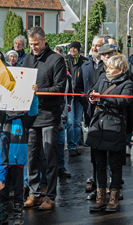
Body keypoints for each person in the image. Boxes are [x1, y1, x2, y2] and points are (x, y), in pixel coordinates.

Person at [22, 26, 67, 210]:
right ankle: (34, 193)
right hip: (31, 116)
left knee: (49, 155)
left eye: (36, 44)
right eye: (31, 44)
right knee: (32, 156)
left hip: (49, 115)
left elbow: (59, 88)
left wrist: (38, 91)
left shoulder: (56, 60)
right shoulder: (27, 59)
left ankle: (50, 196)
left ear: (44, 40)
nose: (33, 47)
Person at [86, 55, 133, 212]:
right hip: (98, 125)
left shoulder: (127, 83)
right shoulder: (102, 78)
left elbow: (123, 101)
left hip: (114, 126)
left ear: (121, 69)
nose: (107, 70)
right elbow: (93, 90)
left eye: (111, 68)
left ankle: (113, 199)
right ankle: (100, 198)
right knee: (99, 165)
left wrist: (102, 98)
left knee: (115, 165)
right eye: (107, 67)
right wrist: (92, 97)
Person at [0, 85, 38, 224]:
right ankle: (3, 214)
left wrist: (33, 96)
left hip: (18, 162)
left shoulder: (24, 119)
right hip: (3, 163)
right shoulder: (2, 117)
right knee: (2, 191)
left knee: (18, 190)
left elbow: (34, 112)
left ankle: (18, 215)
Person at [75, 35, 107, 199]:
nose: (95, 48)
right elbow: (78, 89)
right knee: (95, 153)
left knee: (108, 154)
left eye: (99, 45)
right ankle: (96, 184)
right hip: (90, 114)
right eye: (94, 45)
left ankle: (110, 186)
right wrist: (85, 100)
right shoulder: (85, 66)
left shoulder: (109, 65)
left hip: (107, 115)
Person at [64, 41, 87, 156]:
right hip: (69, 96)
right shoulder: (65, 59)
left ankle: (75, 144)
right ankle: (71, 146)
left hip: (79, 95)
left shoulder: (85, 61)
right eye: (71, 48)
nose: (72, 50)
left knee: (78, 122)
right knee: (70, 122)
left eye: (75, 48)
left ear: (79, 49)